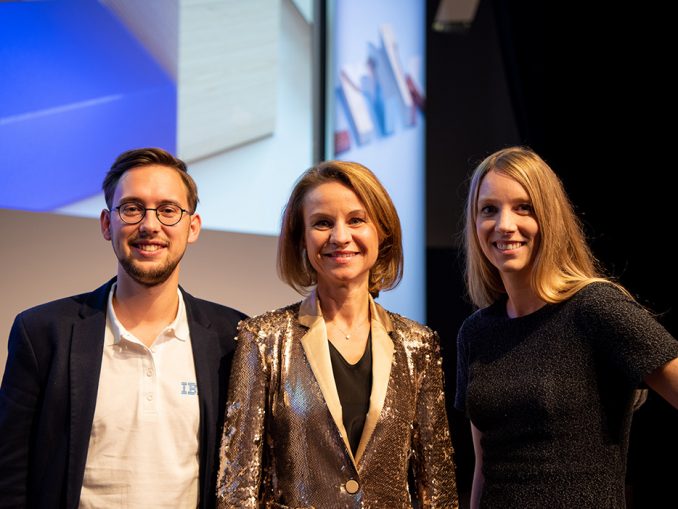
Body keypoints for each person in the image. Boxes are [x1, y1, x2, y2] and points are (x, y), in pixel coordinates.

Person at [0, 147, 247, 508]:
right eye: (132, 208)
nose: (150, 225)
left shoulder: (232, 337)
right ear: (106, 223)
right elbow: (8, 476)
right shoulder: (41, 333)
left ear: (192, 227)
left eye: (168, 210)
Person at [216, 160, 458, 508]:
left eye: (356, 220)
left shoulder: (418, 344)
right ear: (301, 239)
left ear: (382, 232)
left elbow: (437, 488)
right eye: (322, 223)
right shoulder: (262, 339)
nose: (340, 237)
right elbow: (237, 489)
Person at [455, 146, 678, 508]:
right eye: (489, 210)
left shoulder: (594, 307)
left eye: (523, 207)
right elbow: (484, 464)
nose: (504, 225)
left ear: (550, 216)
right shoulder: (475, 332)